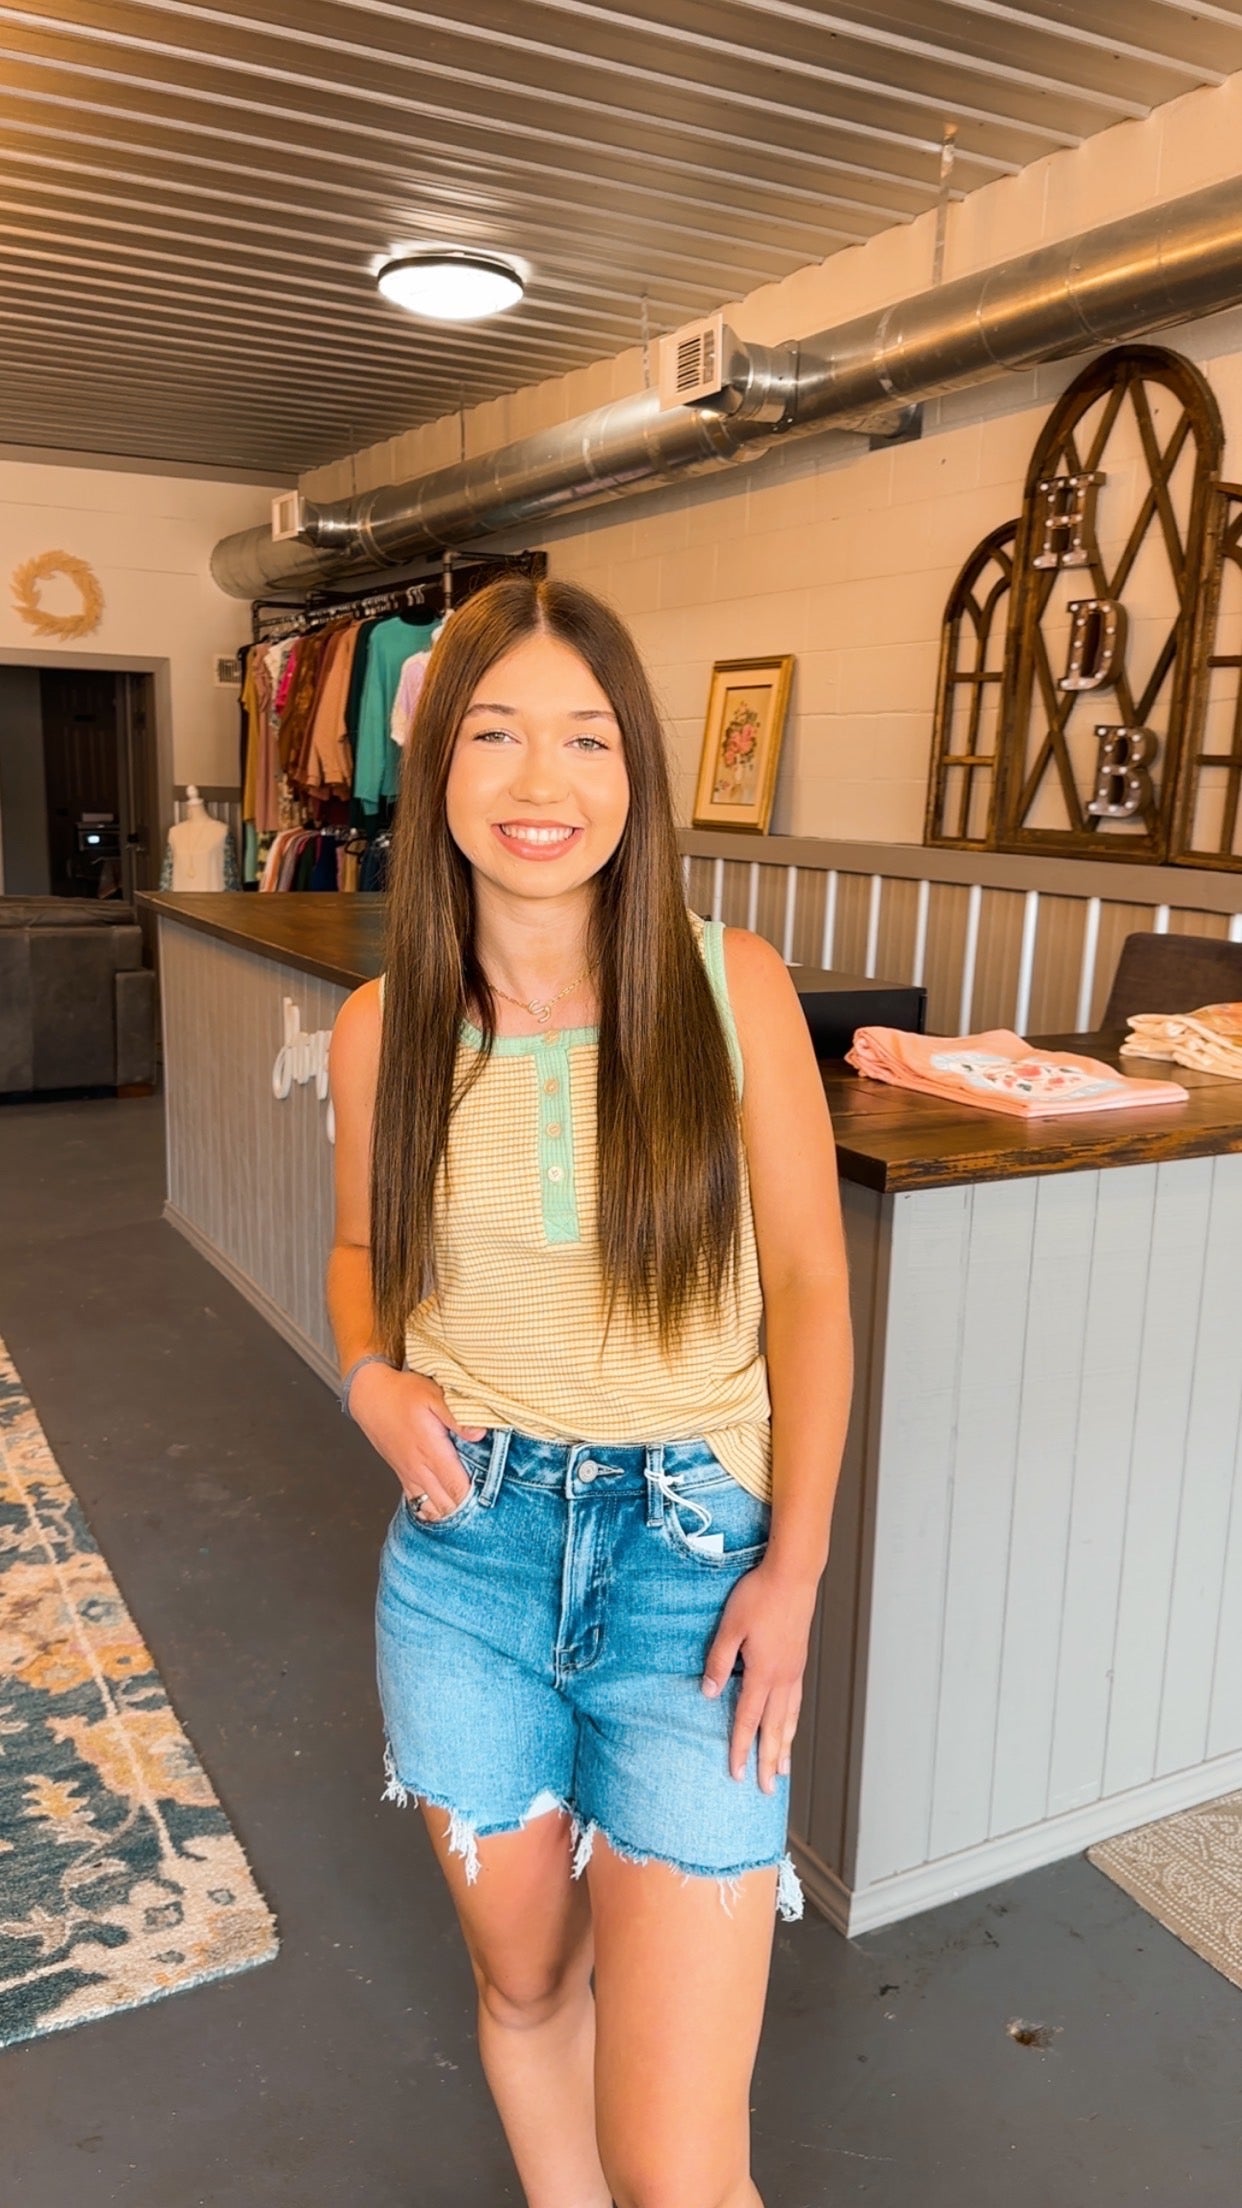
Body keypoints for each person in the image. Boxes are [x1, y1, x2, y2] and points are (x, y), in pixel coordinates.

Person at [326, 576, 852, 2208]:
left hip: (695, 1574)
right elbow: (359, 1250)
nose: (539, 784)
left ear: (636, 773)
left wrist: (796, 1568)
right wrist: (365, 1377)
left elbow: (816, 1293)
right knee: (526, 1986)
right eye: (493, 735)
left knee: (681, 2169)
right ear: (435, 774)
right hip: (465, 1562)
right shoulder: (377, 1030)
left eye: (584, 738)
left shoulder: (732, 989)